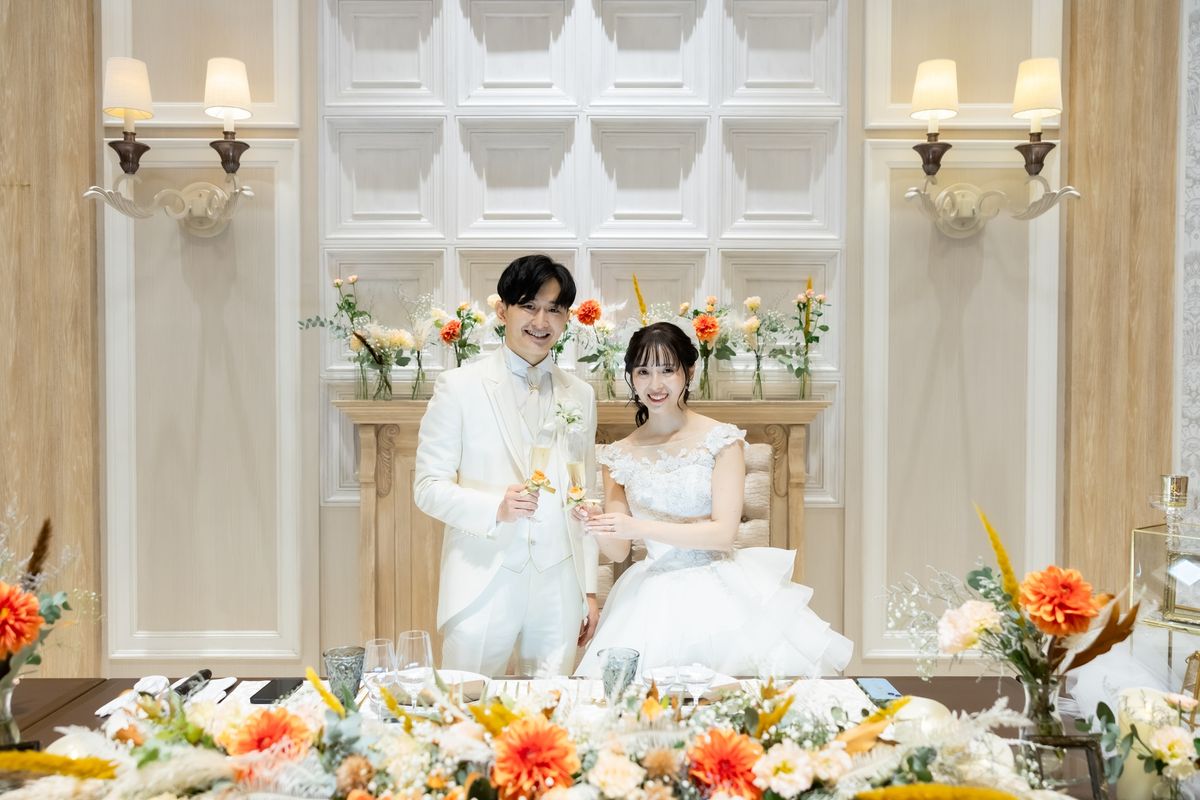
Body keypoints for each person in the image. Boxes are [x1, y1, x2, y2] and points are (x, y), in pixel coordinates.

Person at [575, 321, 853, 678]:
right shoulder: (618, 455)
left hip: (719, 587)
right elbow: (617, 551)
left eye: (667, 370)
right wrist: (596, 522)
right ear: (630, 376)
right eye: (643, 371)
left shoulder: (721, 440)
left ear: (689, 372)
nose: (655, 384)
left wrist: (638, 527)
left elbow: (723, 534)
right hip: (651, 596)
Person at [414, 255, 600, 676]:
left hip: (559, 584)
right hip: (482, 579)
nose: (541, 321)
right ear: (503, 310)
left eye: (554, 309)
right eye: (529, 306)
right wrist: (495, 507)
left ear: (566, 318)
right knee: (465, 704)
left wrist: (588, 588)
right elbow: (427, 487)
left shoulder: (581, 395)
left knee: (553, 709)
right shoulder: (458, 387)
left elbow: (584, 494)